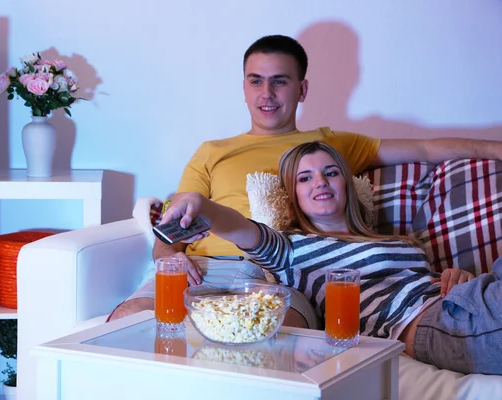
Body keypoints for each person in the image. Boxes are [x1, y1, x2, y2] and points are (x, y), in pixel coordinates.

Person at [109, 34, 502, 327]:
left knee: (276, 333)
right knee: (129, 320)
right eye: (255, 80)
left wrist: (494, 149)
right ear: (243, 88)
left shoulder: (327, 146)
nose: (267, 93)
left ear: (302, 89)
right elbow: (175, 224)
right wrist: (171, 258)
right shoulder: (213, 150)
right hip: (207, 266)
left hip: (282, 272)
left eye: (280, 80)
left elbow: (426, 150)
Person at [162, 141, 502, 375]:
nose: (320, 182)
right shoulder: (292, 248)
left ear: (347, 184)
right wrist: (198, 203)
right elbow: (235, 225)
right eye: (305, 178)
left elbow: (421, 284)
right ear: (292, 197)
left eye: (331, 172)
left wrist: (457, 274)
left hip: (467, 299)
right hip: (434, 326)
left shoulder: (401, 240)